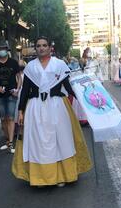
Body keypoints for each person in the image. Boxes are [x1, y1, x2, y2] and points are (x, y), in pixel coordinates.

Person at [12, 36, 92, 187]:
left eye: (44, 45)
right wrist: (21, 110)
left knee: (61, 140)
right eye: (38, 45)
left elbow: (69, 88)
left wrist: (87, 100)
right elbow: (25, 91)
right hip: (35, 108)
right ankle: (41, 177)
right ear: (35, 48)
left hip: (57, 107)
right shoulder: (30, 67)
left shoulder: (60, 65)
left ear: (50, 48)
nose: (41, 48)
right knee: (39, 142)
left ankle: (62, 175)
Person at [0, 41, 22, 154]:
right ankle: (7, 140)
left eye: (3, 48)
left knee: (11, 118)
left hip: (12, 95)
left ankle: (11, 143)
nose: (1, 50)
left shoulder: (13, 62)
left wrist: (17, 89)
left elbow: (19, 77)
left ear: (7, 49)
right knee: (3, 120)